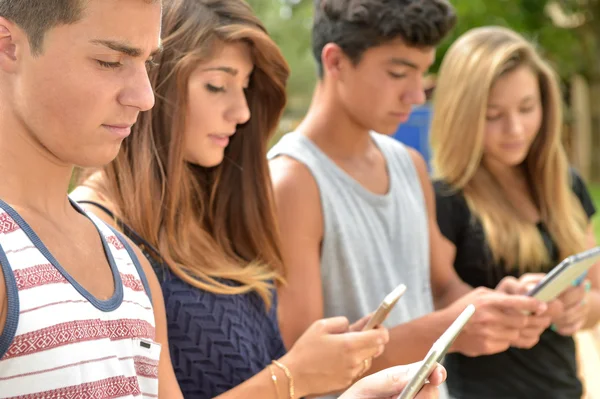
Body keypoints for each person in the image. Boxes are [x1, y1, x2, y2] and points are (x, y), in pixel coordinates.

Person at [70, 0, 404, 398]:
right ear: (155, 81)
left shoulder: (210, 210)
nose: (242, 111)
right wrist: (292, 376)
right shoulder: (95, 234)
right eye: (217, 85)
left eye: (245, 87)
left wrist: (346, 386)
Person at [268, 2, 558, 398]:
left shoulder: (410, 164)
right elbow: (303, 365)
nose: (416, 93)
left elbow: (442, 287)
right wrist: (450, 329)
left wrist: (493, 306)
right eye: (398, 73)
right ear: (335, 62)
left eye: (423, 72)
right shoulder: (292, 182)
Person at [0, 0, 185, 398]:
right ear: (8, 45)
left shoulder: (131, 265)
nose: (145, 96)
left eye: (148, 63)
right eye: (109, 61)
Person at [429, 26, 600, 398]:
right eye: (493, 115)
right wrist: (496, 303)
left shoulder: (565, 184)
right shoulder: (445, 197)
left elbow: (597, 293)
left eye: (527, 108)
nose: (515, 129)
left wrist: (578, 309)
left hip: (566, 389)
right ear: (463, 116)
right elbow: (439, 300)